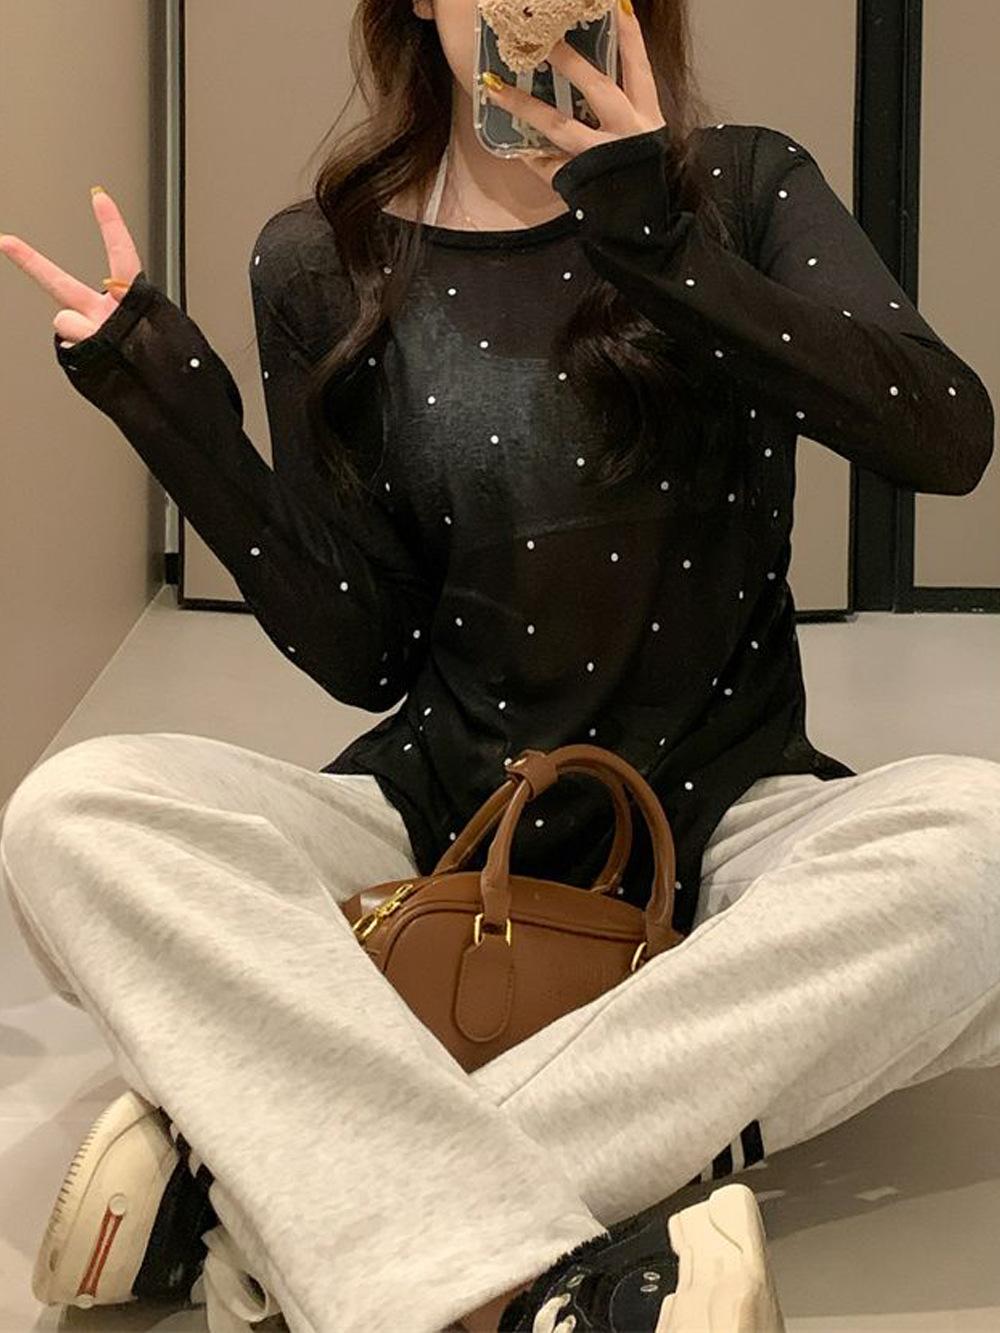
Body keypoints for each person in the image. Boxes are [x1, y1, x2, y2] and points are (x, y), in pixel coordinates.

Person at [1, 0, 997, 1329]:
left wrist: (658, 239)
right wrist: (172, 413)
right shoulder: (323, 258)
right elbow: (362, 647)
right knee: (74, 814)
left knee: (983, 850)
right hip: (446, 816)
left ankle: (259, 1206)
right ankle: (552, 1223)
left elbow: (945, 436)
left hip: (728, 820)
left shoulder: (742, 186)